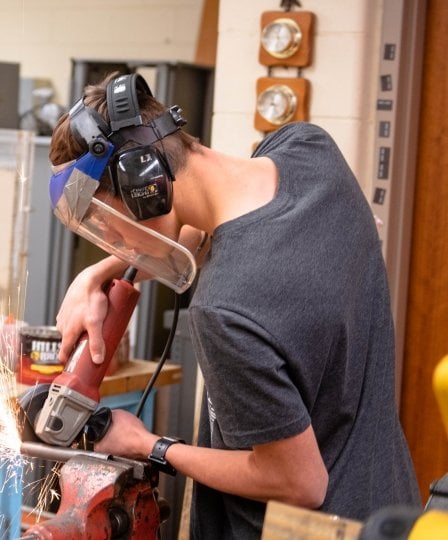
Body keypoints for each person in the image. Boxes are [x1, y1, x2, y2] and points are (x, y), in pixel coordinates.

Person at [48, 72, 419, 538]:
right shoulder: (308, 150)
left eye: (109, 224)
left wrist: (149, 444)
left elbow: (300, 482)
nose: (115, 244)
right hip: (389, 508)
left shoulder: (224, 309)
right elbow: (217, 234)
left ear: (144, 186)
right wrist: (96, 274)